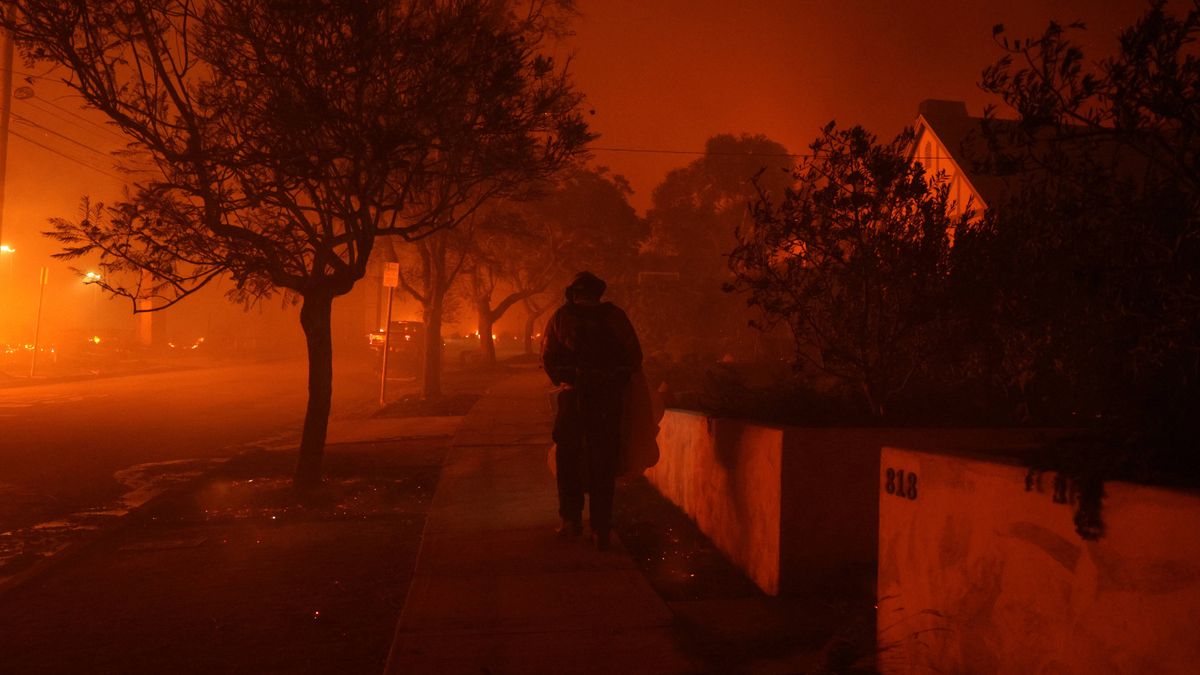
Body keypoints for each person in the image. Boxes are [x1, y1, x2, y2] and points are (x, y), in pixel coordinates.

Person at [542, 271, 642, 550]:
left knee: (570, 461)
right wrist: (612, 380)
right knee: (600, 462)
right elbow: (634, 356)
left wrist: (565, 379)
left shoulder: (563, 317)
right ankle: (599, 527)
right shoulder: (614, 317)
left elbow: (547, 354)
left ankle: (572, 521)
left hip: (575, 398)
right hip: (602, 401)